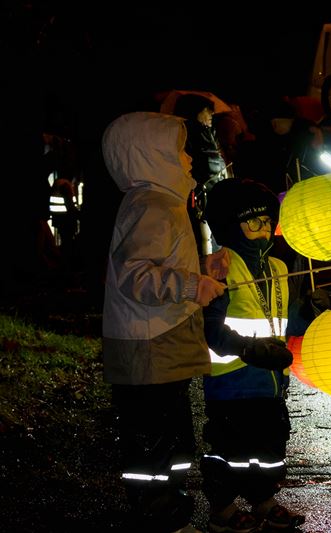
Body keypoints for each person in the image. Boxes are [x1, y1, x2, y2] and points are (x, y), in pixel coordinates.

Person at [100, 111, 227, 533]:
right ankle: (159, 517)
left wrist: (202, 270)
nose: (188, 159)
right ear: (150, 156)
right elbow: (136, 274)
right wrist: (192, 286)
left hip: (160, 343)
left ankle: (168, 512)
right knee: (154, 443)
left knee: (170, 440)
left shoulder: (160, 203)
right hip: (150, 346)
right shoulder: (152, 205)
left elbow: (157, 266)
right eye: (179, 150)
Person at [200, 177, 308, 532]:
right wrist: (247, 348)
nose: (262, 229)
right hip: (231, 380)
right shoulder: (220, 266)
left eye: (266, 221)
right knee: (229, 449)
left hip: (271, 381)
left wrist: (310, 312)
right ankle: (224, 509)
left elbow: (285, 318)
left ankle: (264, 501)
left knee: (270, 446)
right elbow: (211, 328)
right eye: (252, 222)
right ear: (232, 225)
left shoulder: (278, 267)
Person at [172, 93, 230, 257]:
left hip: (213, 194)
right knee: (204, 240)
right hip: (200, 196)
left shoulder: (209, 133)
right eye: (208, 111)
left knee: (213, 239)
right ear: (195, 111)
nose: (212, 114)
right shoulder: (187, 133)